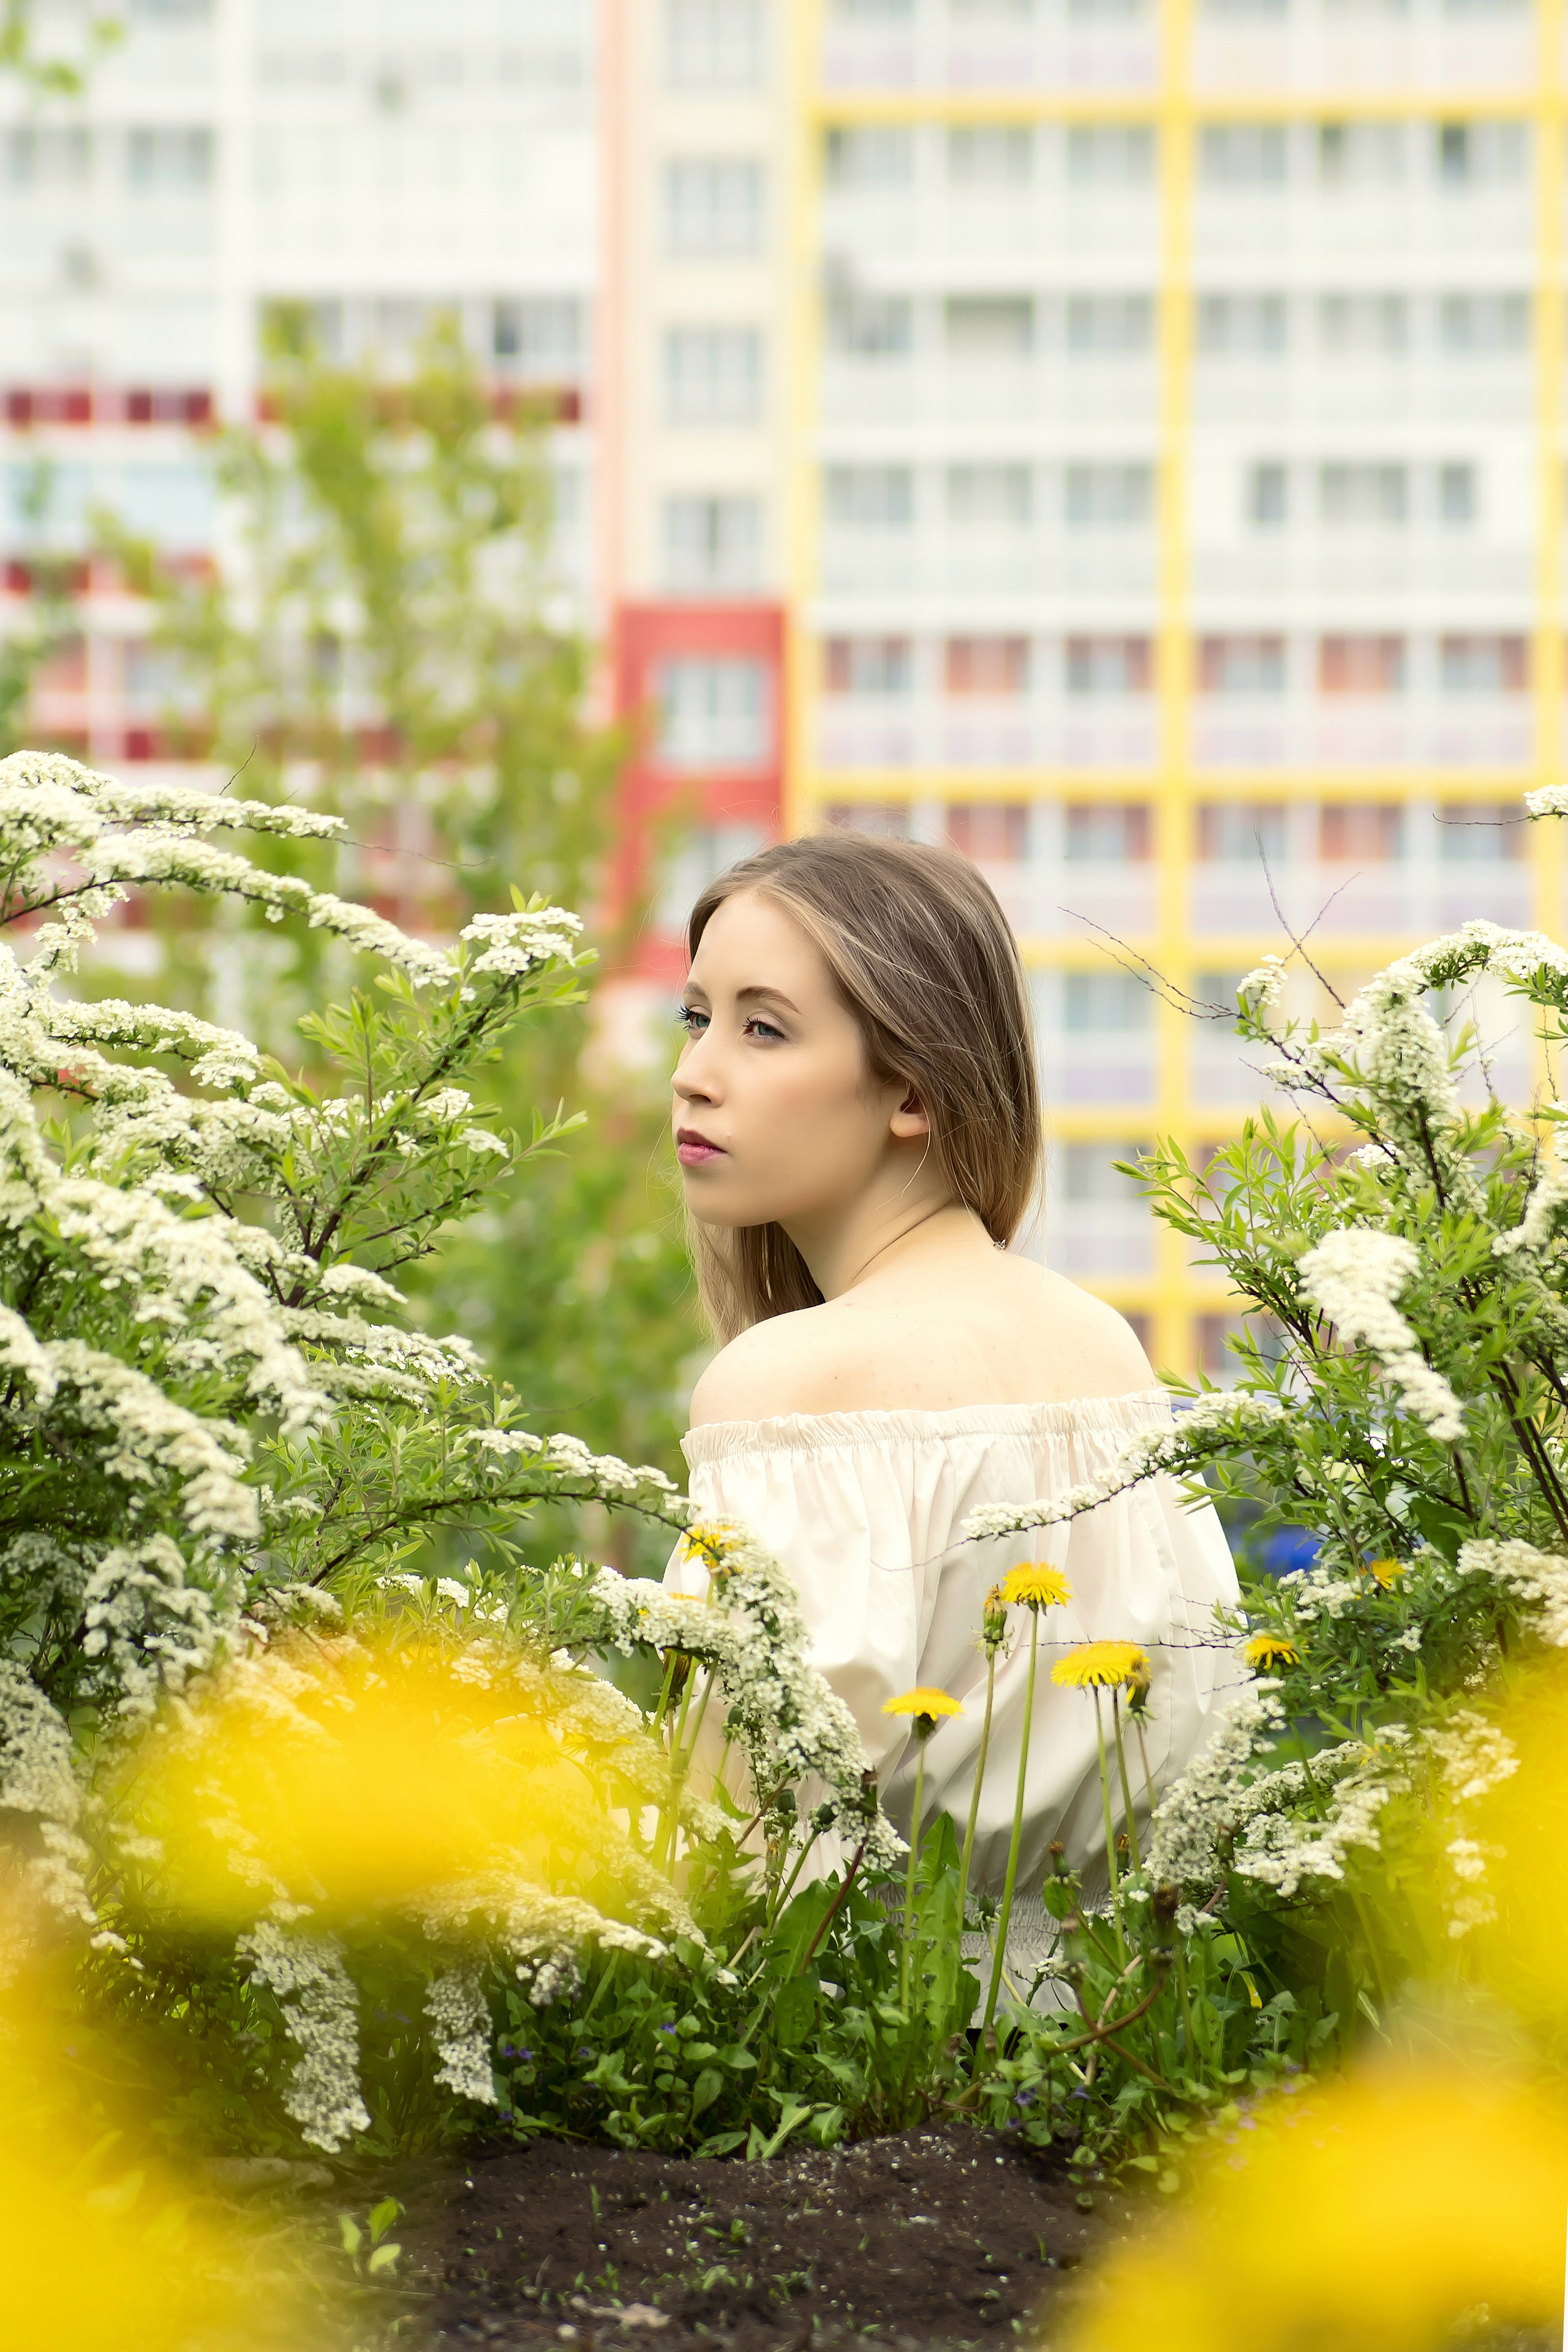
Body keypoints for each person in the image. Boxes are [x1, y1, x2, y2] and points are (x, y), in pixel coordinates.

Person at [663, 832, 1240, 1980]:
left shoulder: (788, 1387)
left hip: (846, 2074)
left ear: (913, 1092)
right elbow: (1205, 1746)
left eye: (763, 1027)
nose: (696, 1072)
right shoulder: (1103, 1352)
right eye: (696, 1017)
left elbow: (727, 1847)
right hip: (1119, 2046)